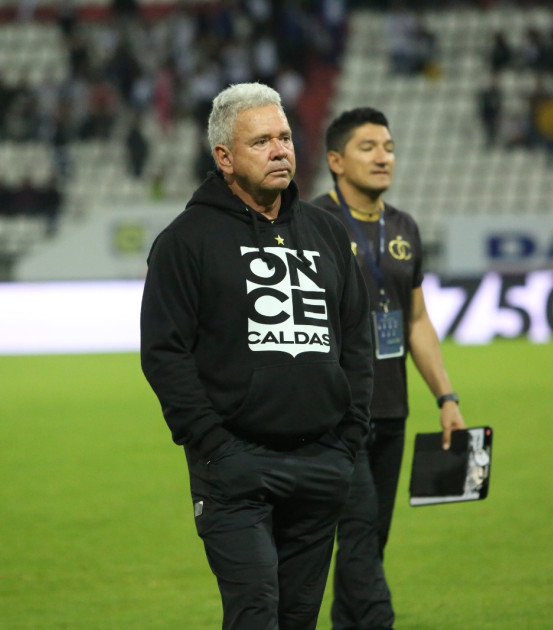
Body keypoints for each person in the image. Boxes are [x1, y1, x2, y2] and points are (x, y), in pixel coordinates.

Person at [140, 82, 374, 630]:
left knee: (298, 620)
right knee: (253, 615)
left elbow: (358, 338)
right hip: (236, 466)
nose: (280, 150)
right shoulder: (185, 241)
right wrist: (213, 445)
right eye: (262, 141)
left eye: (286, 137)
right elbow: (163, 352)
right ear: (224, 157)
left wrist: (349, 436)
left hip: (322, 462)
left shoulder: (326, 233)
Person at [311, 107, 466, 630]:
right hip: (337, 415)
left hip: (393, 409)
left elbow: (416, 320)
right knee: (357, 536)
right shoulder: (312, 226)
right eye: (368, 147)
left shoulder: (404, 227)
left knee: (370, 540)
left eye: (390, 147)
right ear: (336, 160)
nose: (384, 157)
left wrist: (447, 399)